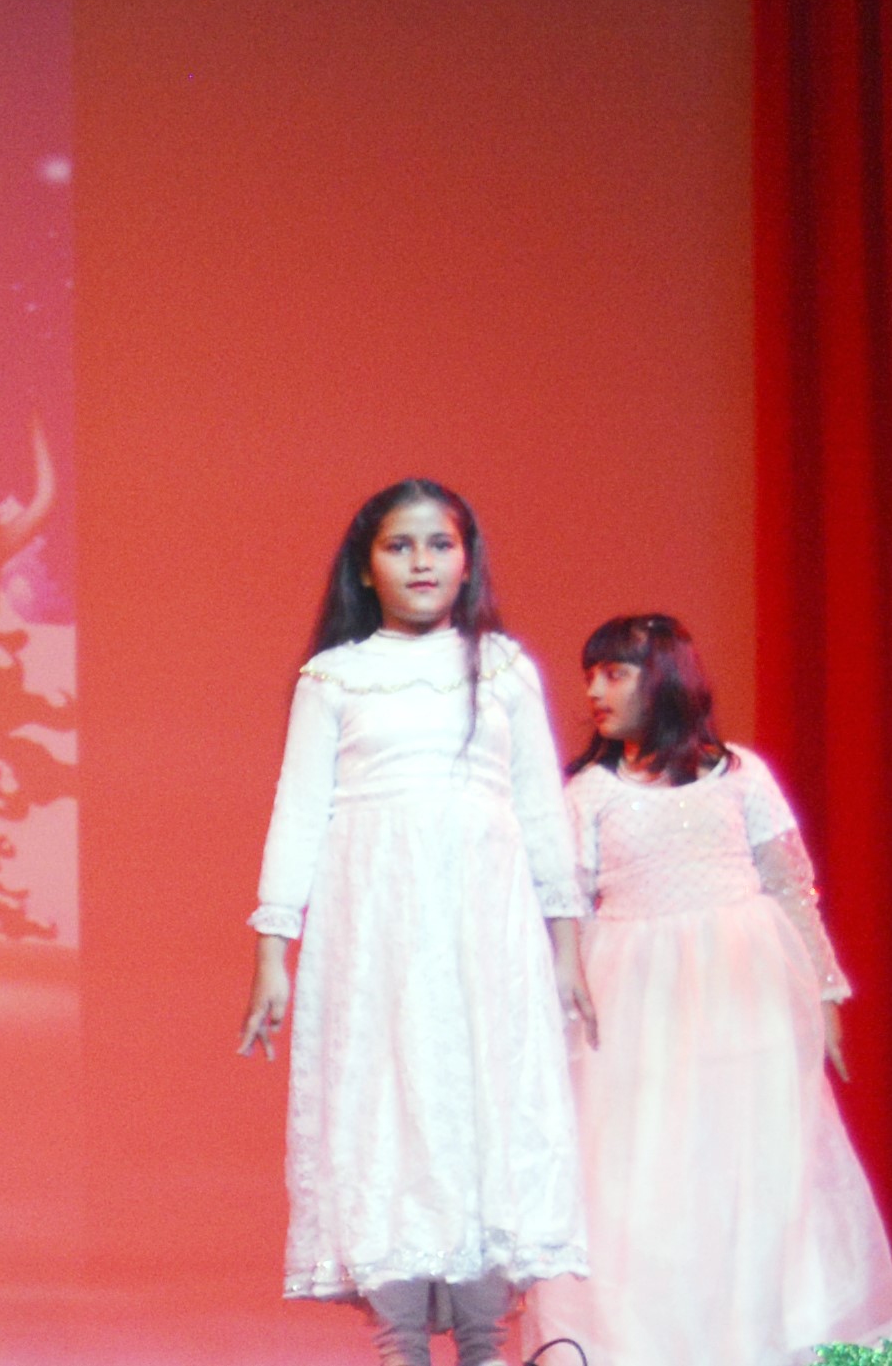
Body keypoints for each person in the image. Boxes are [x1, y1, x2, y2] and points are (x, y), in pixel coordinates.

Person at [238, 478, 591, 1366]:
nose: (421, 561)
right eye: (399, 545)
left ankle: (483, 1344)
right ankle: (400, 1346)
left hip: (486, 932)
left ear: (467, 560)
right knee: (385, 1122)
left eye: (440, 543)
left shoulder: (502, 668)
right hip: (375, 934)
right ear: (366, 566)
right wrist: (273, 947)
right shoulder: (335, 676)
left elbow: (540, 808)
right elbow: (297, 808)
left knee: (484, 1120)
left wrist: (565, 948)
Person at [529, 613, 892, 1366]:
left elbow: (790, 886)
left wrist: (823, 992)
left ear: (664, 677)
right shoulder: (589, 793)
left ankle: (752, 1343)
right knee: (643, 1169)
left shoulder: (741, 775)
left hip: (742, 988)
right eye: (591, 674)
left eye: (614, 673)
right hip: (636, 997)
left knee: (750, 1163)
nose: (594, 690)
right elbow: (564, 904)